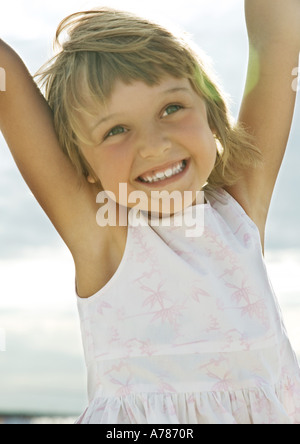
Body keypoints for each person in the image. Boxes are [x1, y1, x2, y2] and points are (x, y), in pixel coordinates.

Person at [0, 0, 300, 424]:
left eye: (171, 108)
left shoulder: (240, 210)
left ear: (212, 115)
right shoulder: (105, 236)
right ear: (83, 168)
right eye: (115, 130)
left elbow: (276, 40)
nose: (154, 144)